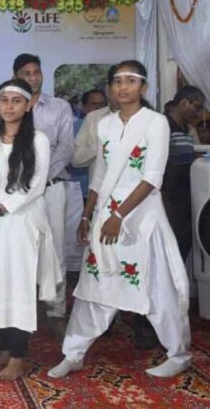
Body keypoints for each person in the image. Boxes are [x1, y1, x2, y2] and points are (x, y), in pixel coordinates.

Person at [49, 60, 192, 379]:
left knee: (156, 286)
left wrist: (118, 215)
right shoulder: (105, 125)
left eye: (130, 80)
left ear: (143, 86)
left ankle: (178, 353)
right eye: (117, 81)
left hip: (142, 217)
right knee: (94, 285)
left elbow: (152, 178)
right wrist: (87, 215)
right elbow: (100, 174)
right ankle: (74, 353)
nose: (123, 87)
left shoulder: (156, 122)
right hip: (105, 215)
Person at [0, 78, 60, 381]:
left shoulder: (38, 139)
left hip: (22, 221)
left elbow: (36, 186)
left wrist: (1, 208)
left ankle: (18, 357)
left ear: (27, 106)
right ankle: (3, 349)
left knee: (20, 287)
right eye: (4, 100)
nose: (9, 106)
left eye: (16, 101)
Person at [13, 53, 74, 337]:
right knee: (22, 249)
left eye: (36, 72)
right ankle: (22, 310)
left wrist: (39, 179)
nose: (33, 77)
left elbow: (66, 148)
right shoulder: (12, 105)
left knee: (55, 248)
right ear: (16, 76)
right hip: (19, 192)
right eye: (26, 73)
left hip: (51, 187)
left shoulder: (59, 107)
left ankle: (56, 310)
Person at [162, 85, 205, 263]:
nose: (198, 113)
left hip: (184, 195)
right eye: (197, 107)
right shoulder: (162, 125)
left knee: (185, 240)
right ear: (184, 103)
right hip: (167, 196)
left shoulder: (188, 129)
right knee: (169, 245)